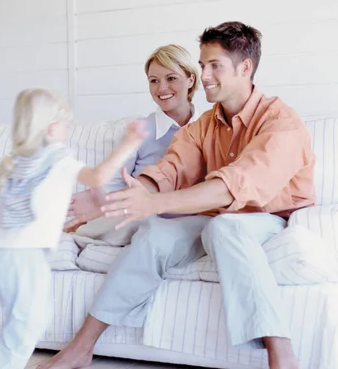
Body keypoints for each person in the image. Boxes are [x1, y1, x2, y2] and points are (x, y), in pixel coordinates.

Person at [38, 22, 314, 369]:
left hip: (270, 217)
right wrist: (136, 196)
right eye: (203, 65)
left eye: (215, 66)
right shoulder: (203, 126)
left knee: (225, 228)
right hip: (216, 214)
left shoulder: (281, 121)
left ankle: (282, 355)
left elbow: (237, 183)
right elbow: (171, 169)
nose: (206, 75)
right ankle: (81, 347)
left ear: (245, 68)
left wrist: (156, 202)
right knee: (154, 232)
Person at [0, 88, 149, 369]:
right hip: (27, 260)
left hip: (2, 258)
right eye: (67, 123)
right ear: (52, 128)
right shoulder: (59, 158)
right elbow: (99, 176)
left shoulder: (20, 161)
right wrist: (129, 142)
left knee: (22, 327)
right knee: (23, 334)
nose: (70, 128)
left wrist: (100, 200)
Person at [64, 44, 200, 232]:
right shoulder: (141, 130)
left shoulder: (208, 127)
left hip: (192, 222)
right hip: (143, 220)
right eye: (154, 81)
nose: (162, 88)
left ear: (190, 79)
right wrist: (98, 203)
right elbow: (112, 183)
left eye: (171, 78)